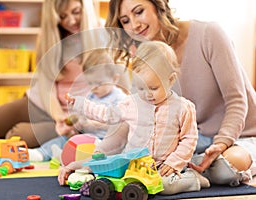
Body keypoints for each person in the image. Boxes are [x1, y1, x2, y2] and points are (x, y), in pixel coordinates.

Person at [104, 0, 256, 183]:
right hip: (195, 140)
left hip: (241, 135)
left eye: (139, 12)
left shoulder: (208, 34)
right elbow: (137, 114)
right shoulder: (146, 55)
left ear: (158, 5)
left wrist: (222, 143)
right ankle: (187, 173)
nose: (134, 25)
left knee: (229, 165)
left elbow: (237, 101)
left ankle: (188, 174)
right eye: (125, 21)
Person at [59, 41, 211, 195]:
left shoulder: (183, 107)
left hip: (165, 167)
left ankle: (193, 179)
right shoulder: (131, 103)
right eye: (140, 87)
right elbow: (107, 114)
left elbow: (189, 139)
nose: (147, 94)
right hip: (134, 166)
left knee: (163, 186)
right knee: (113, 178)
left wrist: (174, 163)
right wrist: (81, 104)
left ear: (171, 80)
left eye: (153, 88)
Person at [0, 0, 102, 148]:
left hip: (77, 119)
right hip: (41, 104)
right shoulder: (51, 37)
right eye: (62, 17)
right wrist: (58, 116)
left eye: (76, 12)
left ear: (86, 7)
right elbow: (46, 86)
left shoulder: (105, 33)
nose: (70, 21)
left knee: (16, 137)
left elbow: (113, 89)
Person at [27, 49, 127, 162]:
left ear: (114, 79)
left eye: (99, 83)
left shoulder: (120, 98)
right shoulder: (92, 96)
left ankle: (65, 156)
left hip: (106, 140)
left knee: (93, 148)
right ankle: (41, 153)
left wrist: (94, 124)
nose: (94, 87)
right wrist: (77, 122)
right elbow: (83, 114)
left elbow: (120, 125)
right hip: (87, 136)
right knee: (65, 139)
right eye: (90, 83)